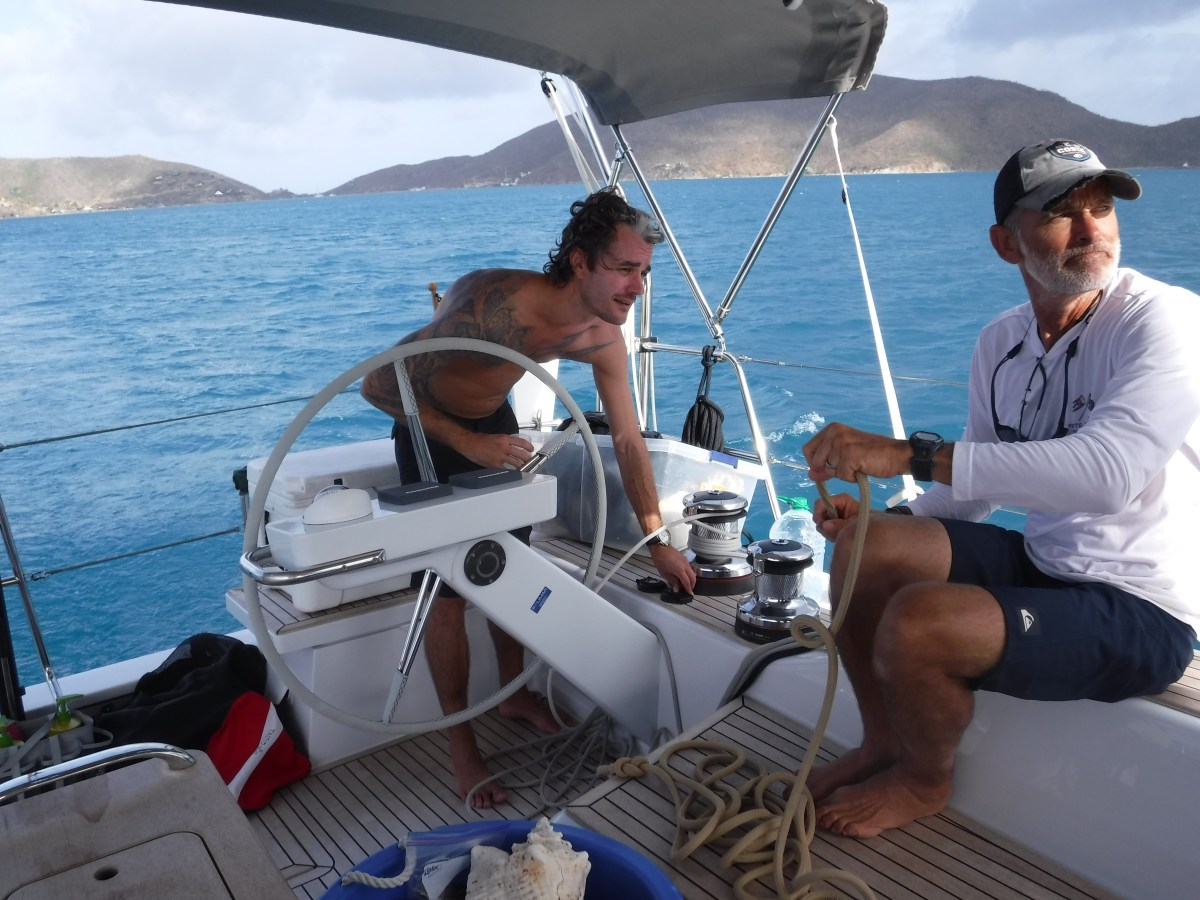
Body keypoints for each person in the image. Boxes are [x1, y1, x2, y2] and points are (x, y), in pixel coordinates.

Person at [801, 139, 1200, 838]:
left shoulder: (1163, 319)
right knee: (868, 543)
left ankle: (922, 780)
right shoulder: (1001, 343)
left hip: (1144, 607)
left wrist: (909, 454)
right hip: (1045, 564)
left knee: (919, 622)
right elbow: (973, 493)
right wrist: (887, 511)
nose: (1091, 229)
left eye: (1101, 207)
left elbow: (1109, 476)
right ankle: (880, 743)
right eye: (1062, 212)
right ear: (1006, 243)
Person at [360, 187, 697, 808]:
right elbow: (378, 384)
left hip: (495, 425)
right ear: (580, 262)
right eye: (625, 269)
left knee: (507, 566)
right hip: (431, 427)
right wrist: (470, 443)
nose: (637, 288)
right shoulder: (491, 308)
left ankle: (512, 696)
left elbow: (627, 439)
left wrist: (659, 542)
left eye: (644, 273)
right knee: (445, 591)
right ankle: (462, 744)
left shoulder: (601, 335)